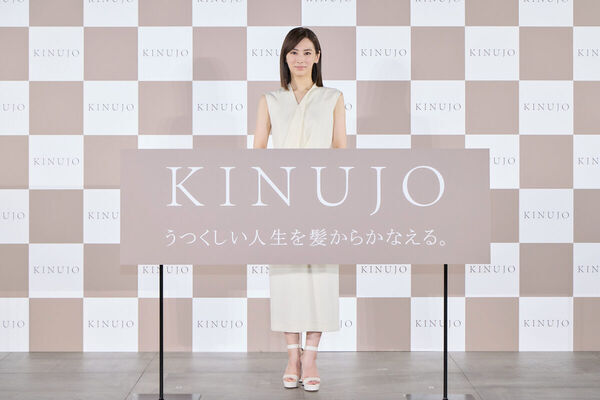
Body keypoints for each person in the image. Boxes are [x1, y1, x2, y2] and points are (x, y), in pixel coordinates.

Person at [252, 27, 347, 392]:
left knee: (321, 276)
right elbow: (258, 153)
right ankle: (292, 354)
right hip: (283, 199)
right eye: (294, 52)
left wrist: (335, 194)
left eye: (307, 52)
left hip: (324, 199)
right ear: (285, 57)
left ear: (318, 56)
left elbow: (340, 150)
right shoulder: (270, 100)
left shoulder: (333, 98)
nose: (300, 59)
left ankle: (311, 356)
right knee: (287, 276)